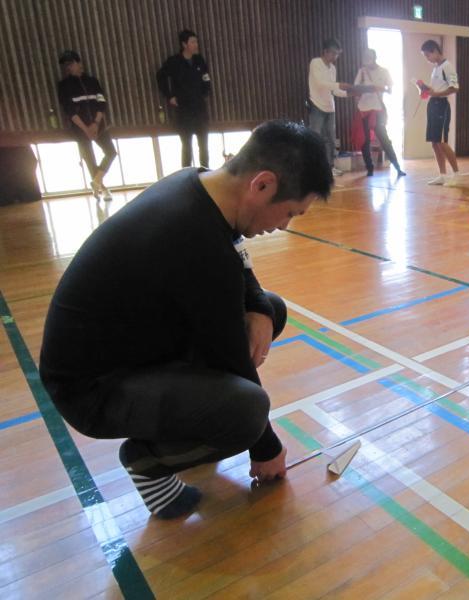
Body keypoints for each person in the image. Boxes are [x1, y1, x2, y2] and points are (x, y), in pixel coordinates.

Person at [39, 120, 333, 519]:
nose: (283, 225)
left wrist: (260, 307)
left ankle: (187, 424)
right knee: (246, 411)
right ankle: (149, 463)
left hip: (131, 347)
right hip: (92, 391)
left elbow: (236, 255)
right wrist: (266, 449)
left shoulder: (198, 185)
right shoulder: (195, 244)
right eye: (290, 212)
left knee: (271, 308)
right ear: (262, 185)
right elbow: (232, 361)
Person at [57, 50, 117, 201]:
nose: (69, 67)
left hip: (99, 125)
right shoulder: (63, 85)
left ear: (79, 63)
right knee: (89, 158)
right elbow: (69, 110)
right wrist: (86, 128)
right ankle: (102, 189)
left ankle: (96, 182)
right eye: (66, 65)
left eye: (71, 63)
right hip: (80, 128)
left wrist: (96, 124)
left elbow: (101, 102)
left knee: (111, 152)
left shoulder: (92, 81)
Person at [157, 29, 212, 168]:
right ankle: (186, 175)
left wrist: (206, 90)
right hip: (184, 110)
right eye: (192, 42)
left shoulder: (199, 60)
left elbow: (206, 77)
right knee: (187, 146)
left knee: (204, 146)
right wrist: (169, 96)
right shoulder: (174, 61)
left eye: (196, 41)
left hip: (199, 108)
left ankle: (205, 173)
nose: (196, 44)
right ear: (184, 44)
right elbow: (161, 76)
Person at [353, 49, 405, 177]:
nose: (367, 58)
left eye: (369, 56)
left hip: (377, 110)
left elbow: (390, 90)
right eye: (365, 56)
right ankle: (369, 168)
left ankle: (397, 167)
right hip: (363, 110)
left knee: (384, 139)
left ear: (375, 57)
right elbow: (355, 89)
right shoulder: (362, 72)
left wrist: (382, 88)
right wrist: (368, 89)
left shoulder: (384, 71)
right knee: (365, 141)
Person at [308, 38, 352, 176]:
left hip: (330, 107)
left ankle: (329, 167)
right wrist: (338, 85)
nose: (335, 57)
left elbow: (333, 90)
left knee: (331, 140)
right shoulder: (315, 63)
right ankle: (314, 169)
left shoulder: (333, 68)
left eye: (337, 54)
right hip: (316, 105)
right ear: (325, 51)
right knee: (315, 138)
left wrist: (348, 94)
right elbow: (321, 83)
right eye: (333, 53)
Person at [420, 40, 460, 186]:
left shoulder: (447, 67)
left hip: (442, 106)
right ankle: (442, 175)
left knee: (442, 142)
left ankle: (456, 174)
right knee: (434, 142)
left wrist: (436, 94)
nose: (427, 59)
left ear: (435, 51)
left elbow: (454, 88)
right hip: (433, 105)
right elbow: (435, 88)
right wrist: (425, 88)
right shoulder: (436, 68)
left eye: (427, 55)